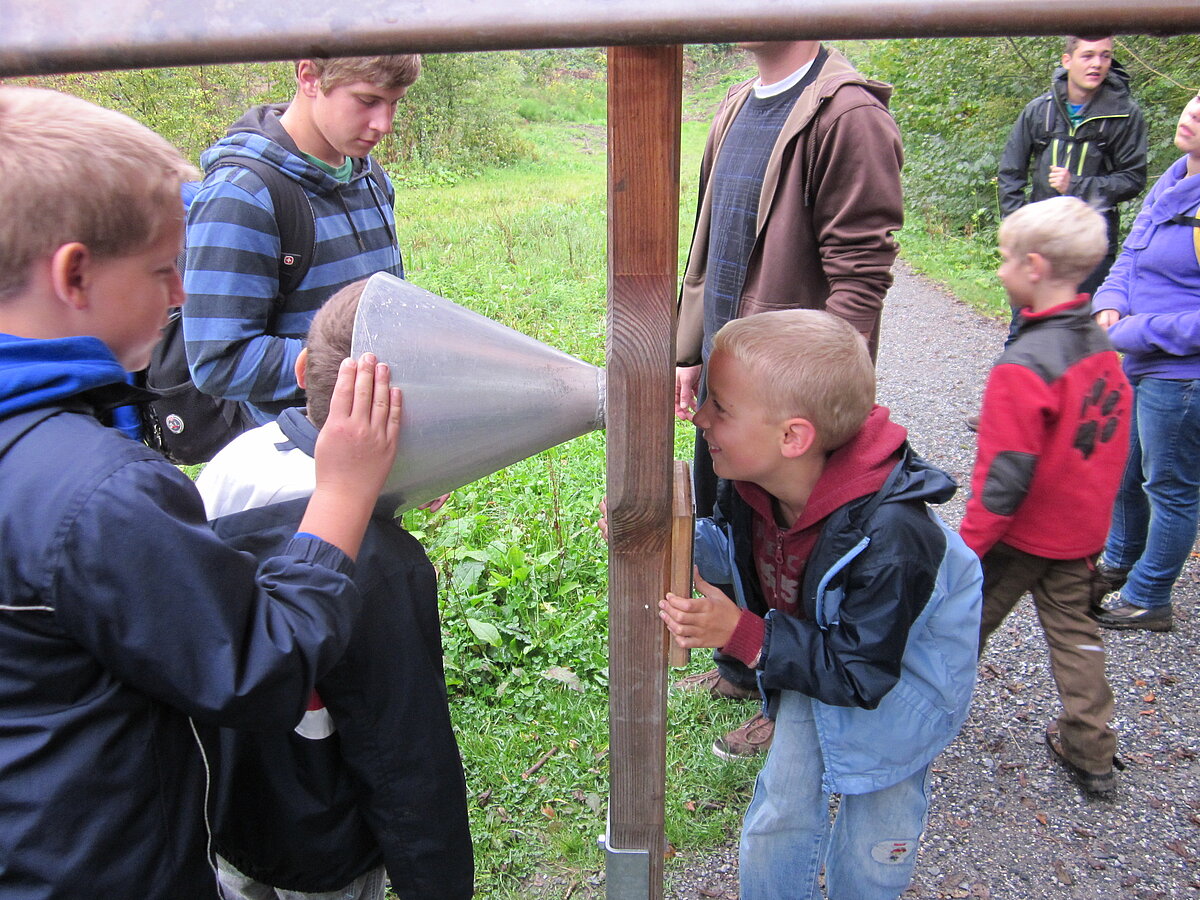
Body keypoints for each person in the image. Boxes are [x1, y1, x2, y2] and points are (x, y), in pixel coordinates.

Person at [0, 87, 403, 898]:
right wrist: (344, 491)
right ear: (75, 274)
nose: (183, 295)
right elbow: (259, 667)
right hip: (113, 868)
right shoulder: (102, 494)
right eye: (163, 270)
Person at [658, 310, 981, 900]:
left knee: (875, 833)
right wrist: (660, 535)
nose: (700, 417)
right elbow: (736, 553)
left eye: (720, 407)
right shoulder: (755, 482)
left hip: (898, 695)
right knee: (780, 811)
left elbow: (861, 672)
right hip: (812, 660)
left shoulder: (894, 540)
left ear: (793, 438)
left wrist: (745, 635)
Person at [194, 280, 473, 900]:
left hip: (228, 816)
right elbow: (404, 750)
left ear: (300, 370)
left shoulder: (228, 467)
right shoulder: (383, 562)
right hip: (327, 847)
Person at [672, 40, 904, 758]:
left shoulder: (848, 115)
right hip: (731, 386)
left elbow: (861, 276)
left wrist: (820, 397)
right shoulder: (736, 104)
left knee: (795, 558)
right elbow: (712, 248)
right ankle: (744, 664)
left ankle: (790, 703)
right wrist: (693, 352)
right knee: (734, 526)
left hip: (782, 401)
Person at [960, 196, 1131, 797]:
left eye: (1005, 258)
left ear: (1033, 267)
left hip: (1018, 539)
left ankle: (917, 716)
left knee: (961, 624)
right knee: (1076, 636)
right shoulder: (1101, 348)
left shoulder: (1025, 365)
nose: (1000, 268)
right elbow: (1110, 446)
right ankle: (1092, 750)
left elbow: (1003, 480)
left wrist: (968, 549)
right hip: (1079, 536)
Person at [184, 54, 420, 425]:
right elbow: (218, 363)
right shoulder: (241, 194)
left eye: (394, 103)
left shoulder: (372, 178)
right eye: (368, 100)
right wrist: (350, 364)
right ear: (309, 77)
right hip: (299, 447)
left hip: (379, 434)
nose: (384, 124)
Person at [1089, 90, 1200, 633]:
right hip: (1140, 363)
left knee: (1170, 487)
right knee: (1125, 470)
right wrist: (1109, 302)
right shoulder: (1175, 178)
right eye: (1197, 100)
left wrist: (1135, 330)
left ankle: (1150, 595)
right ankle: (1118, 562)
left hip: (1182, 376)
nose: (1194, 111)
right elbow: (1131, 255)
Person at [997, 35, 1147, 299]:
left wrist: (1076, 185)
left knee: (1081, 319)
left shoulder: (1125, 115)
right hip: (1039, 241)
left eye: (1105, 56)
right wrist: (1017, 229)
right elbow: (1011, 173)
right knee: (1028, 318)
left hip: (1091, 245)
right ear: (1067, 61)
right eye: (1088, 56)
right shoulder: (1039, 111)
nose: (1097, 63)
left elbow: (1132, 179)